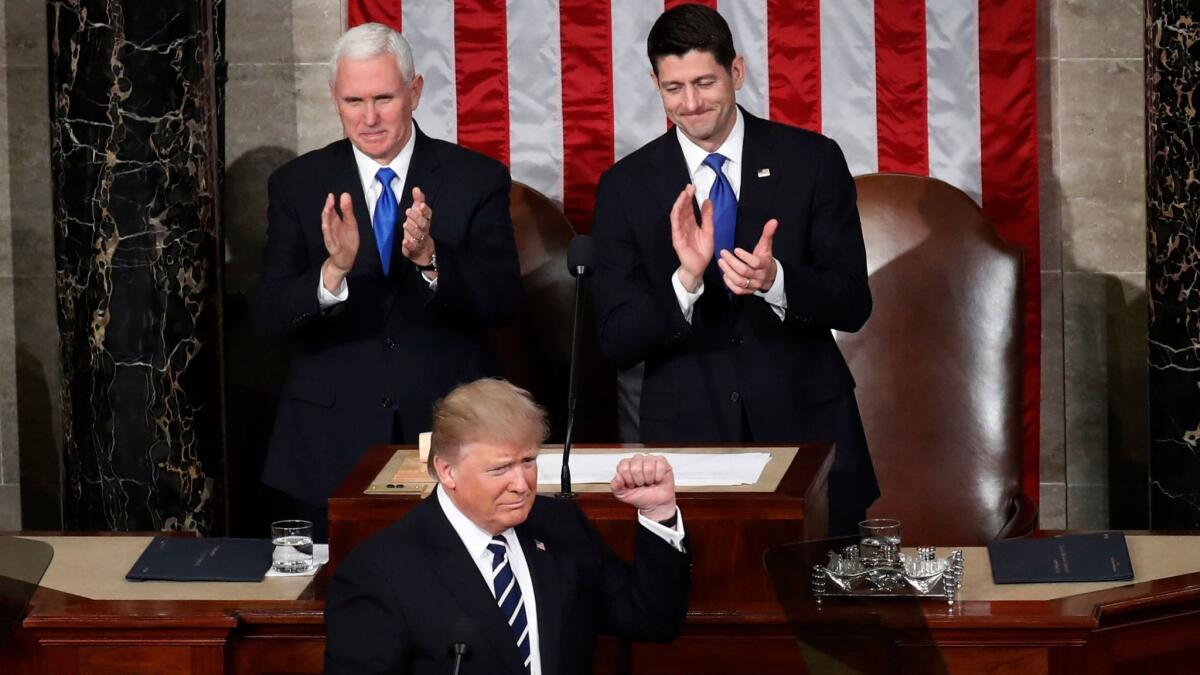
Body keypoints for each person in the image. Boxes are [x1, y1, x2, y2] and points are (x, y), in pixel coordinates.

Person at [590, 4, 878, 536]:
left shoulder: (811, 161)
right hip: (688, 441)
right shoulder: (626, 186)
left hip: (807, 428)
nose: (691, 103)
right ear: (655, 82)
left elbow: (852, 302)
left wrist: (777, 281)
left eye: (705, 82)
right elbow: (616, 340)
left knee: (831, 607)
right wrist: (685, 283)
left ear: (736, 72)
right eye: (673, 88)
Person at [255, 23, 521, 536]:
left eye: (384, 98)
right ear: (334, 97)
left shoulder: (475, 178)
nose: (369, 117)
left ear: (415, 91)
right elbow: (270, 316)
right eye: (354, 100)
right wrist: (332, 271)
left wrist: (430, 259)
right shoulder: (297, 184)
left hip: (449, 436)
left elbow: (505, 301)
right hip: (327, 443)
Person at [324, 378, 690, 674]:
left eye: (528, 460)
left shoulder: (561, 526)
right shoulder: (379, 573)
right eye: (500, 468)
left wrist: (659, 512)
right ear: (447, 470)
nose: (521, 483)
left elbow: (652, 620)